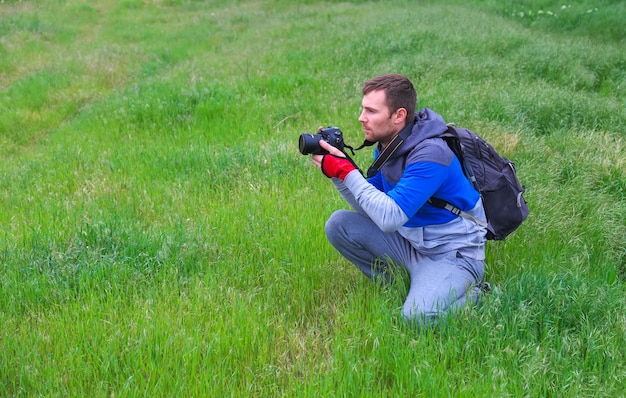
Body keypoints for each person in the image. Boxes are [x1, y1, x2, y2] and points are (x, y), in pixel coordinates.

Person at [311, 74, 487, 325]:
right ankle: (400, 284)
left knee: (417, 318)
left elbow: (389, 217)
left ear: (399, 116)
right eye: (363, 109)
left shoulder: (431, 153)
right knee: (339, 224)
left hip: (451, 255)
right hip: (411, 246)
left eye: (371, 111)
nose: (361, 118)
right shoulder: (389, 146)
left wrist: (346, 172)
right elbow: (369, 207)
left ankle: (476, 295)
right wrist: (338, 173)